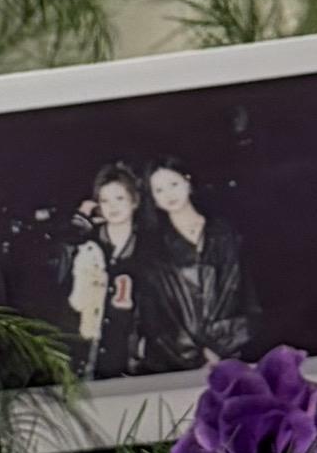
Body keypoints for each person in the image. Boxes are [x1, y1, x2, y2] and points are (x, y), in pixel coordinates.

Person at [135, 162, 254, 372]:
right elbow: (155, 315)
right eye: (159, 190)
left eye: (173, 184)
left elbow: (244, 291)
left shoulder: (224, 232)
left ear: (187, 182)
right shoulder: (153, 248)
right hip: (181, 358)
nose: (169, 194)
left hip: (234, 348)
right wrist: (195, 354)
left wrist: (222, 345)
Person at [64, 164, 145, 383]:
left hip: (130, 357)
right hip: (88, 354)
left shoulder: (148, 248)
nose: (113, 207)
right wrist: (81, 219)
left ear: (134, 200)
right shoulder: (88, 246)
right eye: (105, 200)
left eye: (119, 198)